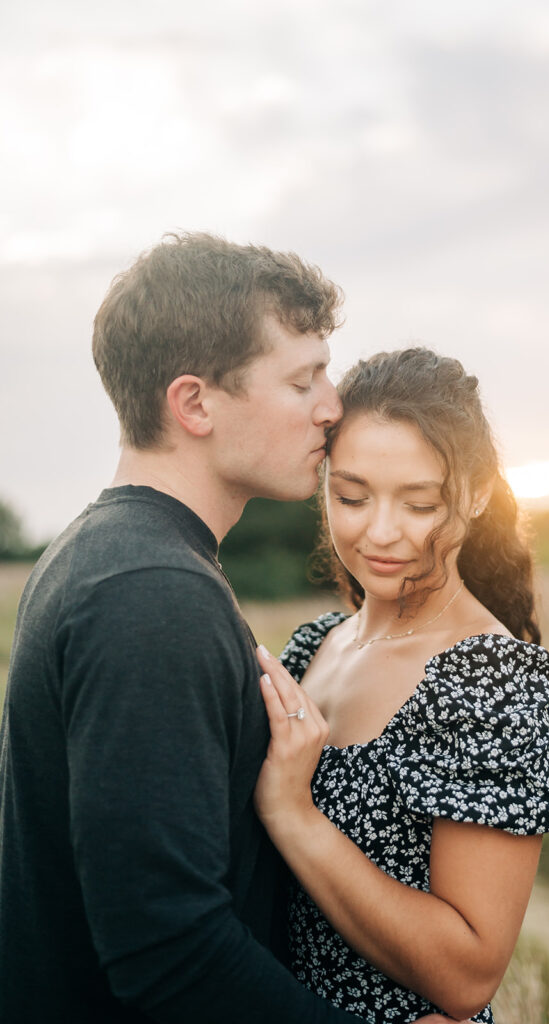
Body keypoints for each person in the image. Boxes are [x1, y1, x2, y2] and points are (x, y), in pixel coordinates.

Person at [0, 234, 450, 1024]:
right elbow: (166, 952)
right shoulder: (148, 593)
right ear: (195, 403)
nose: (331, 404)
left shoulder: (107, 557)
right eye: (302, 378)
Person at [252, 348, 549, 1024]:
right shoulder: (317, 644)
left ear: (477, 493)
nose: (380, 532)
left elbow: (467, 976)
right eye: (351, 495)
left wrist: (296, 817)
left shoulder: (485, 676)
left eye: (420, 503)